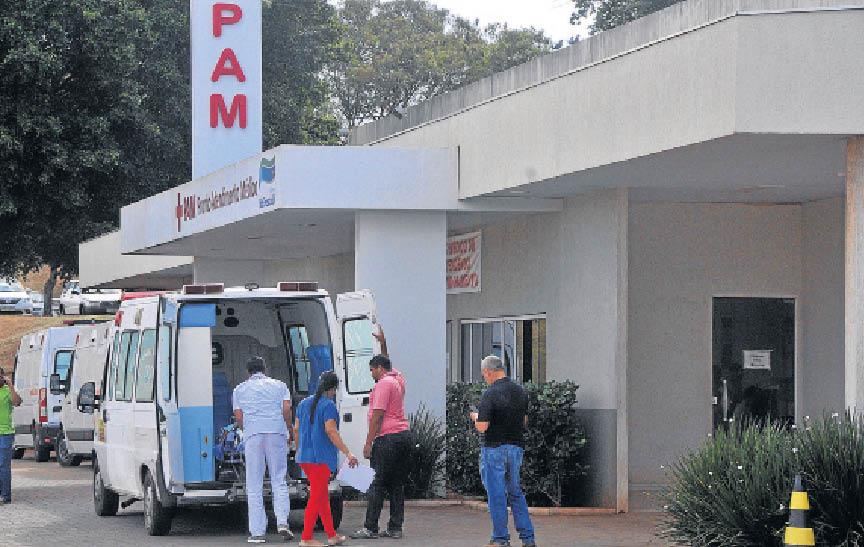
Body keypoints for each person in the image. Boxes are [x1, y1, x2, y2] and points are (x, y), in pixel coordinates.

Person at [351, 329, 413, 540]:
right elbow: (387, 363)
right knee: (397, 484)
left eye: (372, 370)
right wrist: (384, 344)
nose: (371, 374)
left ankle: (370, 527)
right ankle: (395, 527)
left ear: (379, 369)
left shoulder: (384, 384)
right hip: (403, 436)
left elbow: (377, 416)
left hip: (387, 438)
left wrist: (368, 443)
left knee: (376, 484)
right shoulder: (398, 379)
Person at [470, 355, 536, 547]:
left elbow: (482, 426)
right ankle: (528, 538)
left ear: (488, 372)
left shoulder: (490, 394)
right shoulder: (520, 392)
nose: (485, 378)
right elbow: (524, 421)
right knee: (515, 492)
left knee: (497, 494)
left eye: (484, 375)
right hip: (515, 448)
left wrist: (475, 416)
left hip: (494, 449)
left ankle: (500, 539)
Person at [232, 356, 294, 543]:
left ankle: (257, 532)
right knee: (278, 478)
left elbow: (239, 416)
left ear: (248, 371)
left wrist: (247, 429)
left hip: (253, 435)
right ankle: (282, 522)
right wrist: (289, 429)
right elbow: (286, 409)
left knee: (254, 483)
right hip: (276, 432)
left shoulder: (239, 389)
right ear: (264, 369)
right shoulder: (279, 385)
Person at [294, 372, 359, 547]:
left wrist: (299, 450)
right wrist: (348, 452)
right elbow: (331, 431)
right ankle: (306, 537)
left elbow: (296, 429)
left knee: (322, 495)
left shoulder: (302, 404)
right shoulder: (328, 406)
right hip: (321, 458)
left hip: (304, 457)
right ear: (332, 389)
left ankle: (331, 535)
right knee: (316, 496)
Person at [0, 366, 22, 505]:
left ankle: (5, 495)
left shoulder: (8, 391)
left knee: (3, 466)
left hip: (5, 434)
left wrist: (11, 385)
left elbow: (17, 402)